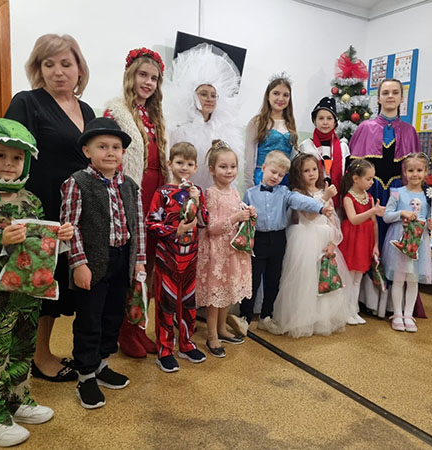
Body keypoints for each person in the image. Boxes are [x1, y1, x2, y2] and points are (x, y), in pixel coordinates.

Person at [0, 118, 73, 446]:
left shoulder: (31, 201)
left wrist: (60, 237)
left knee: (23, 349)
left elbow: (40, 244)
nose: (9, 163)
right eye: (0, 155)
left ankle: (17, 399)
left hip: (29, 293)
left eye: (17, 157)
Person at [5, 33, 95, 382]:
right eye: (49, 64)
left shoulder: (87, 111)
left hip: (73, 212)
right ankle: (36, 356)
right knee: (37, 284)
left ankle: (41, 350)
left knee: (58, 284)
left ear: (79, 68)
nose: (58, 71)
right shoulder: (27, 102)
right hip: (38, 210)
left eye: (66, 64)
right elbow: (9, 157)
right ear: (38, 69)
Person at [60, 117, 146, 409]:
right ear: (87, 151)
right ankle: (85, 375)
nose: (110, 152)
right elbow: (70, 227)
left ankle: (102, 364)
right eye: (102, 146)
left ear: (123, 152)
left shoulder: (130, 186)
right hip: (92, 262)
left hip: (121, 260)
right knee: (90, 319)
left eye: (116, 147)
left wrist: (139, 262)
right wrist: (78, 264)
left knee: (112, 316)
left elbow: (138, 226)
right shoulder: (77, 183)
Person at [103, 47, 168, 358]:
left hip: (155, 197)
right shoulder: (116, 113)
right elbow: (110, 159)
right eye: (143, 75)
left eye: (154, 78)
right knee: (132, 266)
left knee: (149, 266)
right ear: (131, 75)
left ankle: (139, 327)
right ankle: (124, 330)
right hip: (133, 195)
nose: (148, 82)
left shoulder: (156, 117)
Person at [348, 78, 424, 318]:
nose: (390, 96)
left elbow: (416, 172)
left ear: (401, 98)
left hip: (398, 196)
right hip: (370, 194)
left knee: (395, 244)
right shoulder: (365, 128)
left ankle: (392, 306)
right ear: (378, 98)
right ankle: (364, 300)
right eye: (385, 92)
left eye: (395, 92)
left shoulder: (409, 131)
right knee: (367, 242)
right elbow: (353, 171)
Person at [236, 151, 333, 334]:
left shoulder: (285, 193)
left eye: (281, 175)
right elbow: (243, 218)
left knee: (273, 280)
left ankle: (266, 317)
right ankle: (244, 318)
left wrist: (320, 207)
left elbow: (301, 201)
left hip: (278, 240)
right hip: (258, 240)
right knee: (252, 280)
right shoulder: (250, 194)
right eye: (273, 172)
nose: (276, 177)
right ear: (263, 168)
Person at [270, 154, 350, 338]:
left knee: (323, 277)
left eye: (314, 169)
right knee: (305, 280)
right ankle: (302, 319)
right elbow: (310, 216)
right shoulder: (297, 194)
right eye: (306, 171)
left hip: (324, 238)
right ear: (298, 174)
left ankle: (321, 319)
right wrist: (324, 197)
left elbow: (332, 219)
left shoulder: (323, 190)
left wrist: (333, 242)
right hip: (305, 238)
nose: (312, 173)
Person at [146, 142, 209, 373]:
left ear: (195, 167)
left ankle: (186, 343)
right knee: (166, 304)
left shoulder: (197, 191)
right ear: (170, 163)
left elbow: (204, 222)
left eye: (189, 164)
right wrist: (175, 231)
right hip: (167, 259)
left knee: (188, 303)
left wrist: (197, 200)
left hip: (191, 259)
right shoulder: (162, 193)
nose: (184, 167)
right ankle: (164, 350)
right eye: (180, 162)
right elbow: (151, 223)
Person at [196, 140, 255, 357]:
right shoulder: (211, 193)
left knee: (227, 294)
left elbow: (237, 214)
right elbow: (212, 227)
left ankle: (222, 328)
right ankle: (212, 335)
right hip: (216, 253)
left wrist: (248, 213)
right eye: (223, 167)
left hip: (231, 251)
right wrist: (236, 217)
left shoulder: (235, 192)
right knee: (215, 298)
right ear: (212, 169)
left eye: (233, 166)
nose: (229, 171)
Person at [167, 43, 243, 191]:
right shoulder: (181, 130)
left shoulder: (225, 130)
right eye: (203, 94)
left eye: (213, 95)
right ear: (193, 96)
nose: (209, 99)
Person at [381, 153, 432, 332]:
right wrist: (401, 213)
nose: (415, 174)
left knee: (413, 280)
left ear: (426, 172)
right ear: (404, 172)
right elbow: (386, 216)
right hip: (401, 240)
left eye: (419, 170)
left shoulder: (428, 197)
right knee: (399, 279)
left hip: (419, 242)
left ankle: (408, 314)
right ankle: (397, 314)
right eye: (411, 170)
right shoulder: (397, 193)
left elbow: (429, 218)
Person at [339, 159, 386, 325]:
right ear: (355, 178)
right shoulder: (348, 198)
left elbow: (374, 223)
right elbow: (353, 219)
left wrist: (375, 244)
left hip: (365, 240)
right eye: (369, 178)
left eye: (373, 178)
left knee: (358, 278)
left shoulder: (369, 197)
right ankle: (345, 311)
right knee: (349, 277)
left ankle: (353, 310)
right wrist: (373, 211)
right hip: (352, 240)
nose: (372, 182)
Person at [244, 75, 298, 189]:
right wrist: (249, 184)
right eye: (276, 93)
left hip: (284, 179)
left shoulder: (290, 123)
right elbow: (249, 156)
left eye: (285, 95)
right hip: (262, 177)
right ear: (268, 96)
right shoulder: (257, 122)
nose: (281, 98)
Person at [297, 97, 349, 207]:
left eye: (329, 118)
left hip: (338, 200)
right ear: (314, 121)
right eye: (321, 118)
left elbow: (347, 176)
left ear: (335, 122)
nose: (325, 122)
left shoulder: (343, 147)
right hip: (312, 199)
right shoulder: (306, 146)